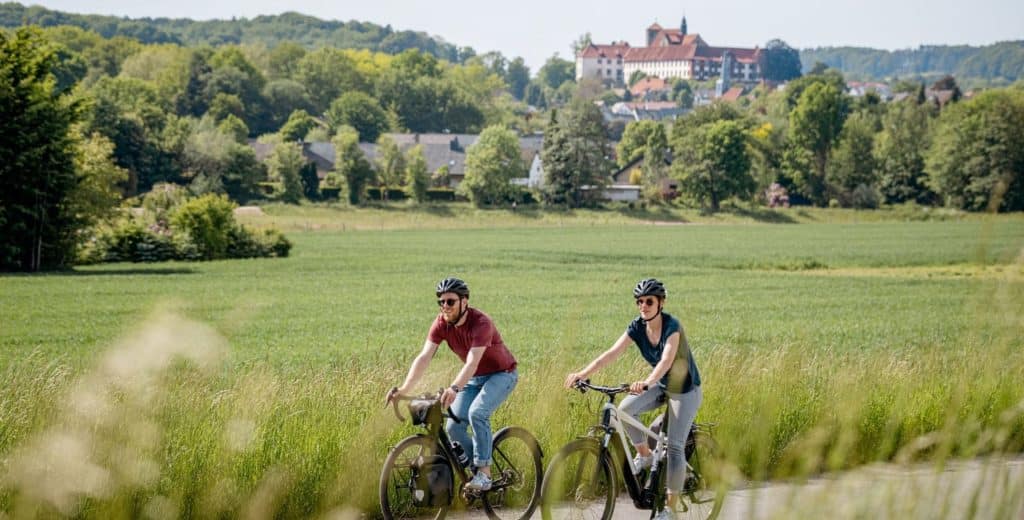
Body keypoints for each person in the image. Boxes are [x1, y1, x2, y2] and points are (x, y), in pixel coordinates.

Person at [564, 278, 702, 520]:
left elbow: (667, 360)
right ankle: (647, 457)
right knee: (625, 409)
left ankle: (669, 510)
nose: (643, 306)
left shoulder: (672, 326)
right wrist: (582, 374)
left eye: (649, 301)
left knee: (675, 447)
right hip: (661, 385)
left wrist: (647, 382)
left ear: (661, 303)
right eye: (639, 301)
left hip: (685, 390)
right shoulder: (637, 327)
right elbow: (611, 353)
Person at [387, 277, 519, 492]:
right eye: (441, 302)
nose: (445, 307)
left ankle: (484, 474)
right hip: (474, 378)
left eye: (450, 301)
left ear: (464, 301)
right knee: (453, 426)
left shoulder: (481, 322)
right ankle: (476, 467)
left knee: (477, 413)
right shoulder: (441, 323)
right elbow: (424, 357)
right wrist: (404, 389)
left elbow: (472, 362)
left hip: (501, 374)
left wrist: (455, 387)